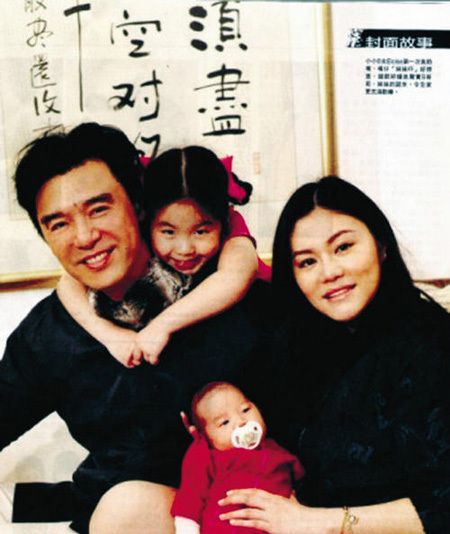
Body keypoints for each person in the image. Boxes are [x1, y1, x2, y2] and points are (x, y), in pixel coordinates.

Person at [0, 122, 267, 534]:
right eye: (58, 224)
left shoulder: (231, 291)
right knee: (124, 509)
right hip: (121, 515)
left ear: (139, 204)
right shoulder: (48, 335)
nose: (85, 237)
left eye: (98, 209)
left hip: (246, 510)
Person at [218, 176, 450, 533]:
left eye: (343, 247)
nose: (330, 272)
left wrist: (322, 522)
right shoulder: (290, 342)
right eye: (307, 262)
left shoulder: (432, 343)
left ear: (381, 246)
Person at [57, 146, 271, 367]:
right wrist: (110, 335)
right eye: (168, 232)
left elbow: (235, 276)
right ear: (146, 220)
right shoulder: (138, 233)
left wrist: (162, 326)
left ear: (223, 220)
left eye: (200, 232)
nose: (184, 249)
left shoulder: (233, 231)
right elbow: (68, 282)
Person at [171, 382, 303, 533]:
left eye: (245, 409)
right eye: (224, 422)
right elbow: (190, 498)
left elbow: (299, 483)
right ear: (207, 437)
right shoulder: (206, 453)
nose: (241, 421)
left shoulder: (276, 450)